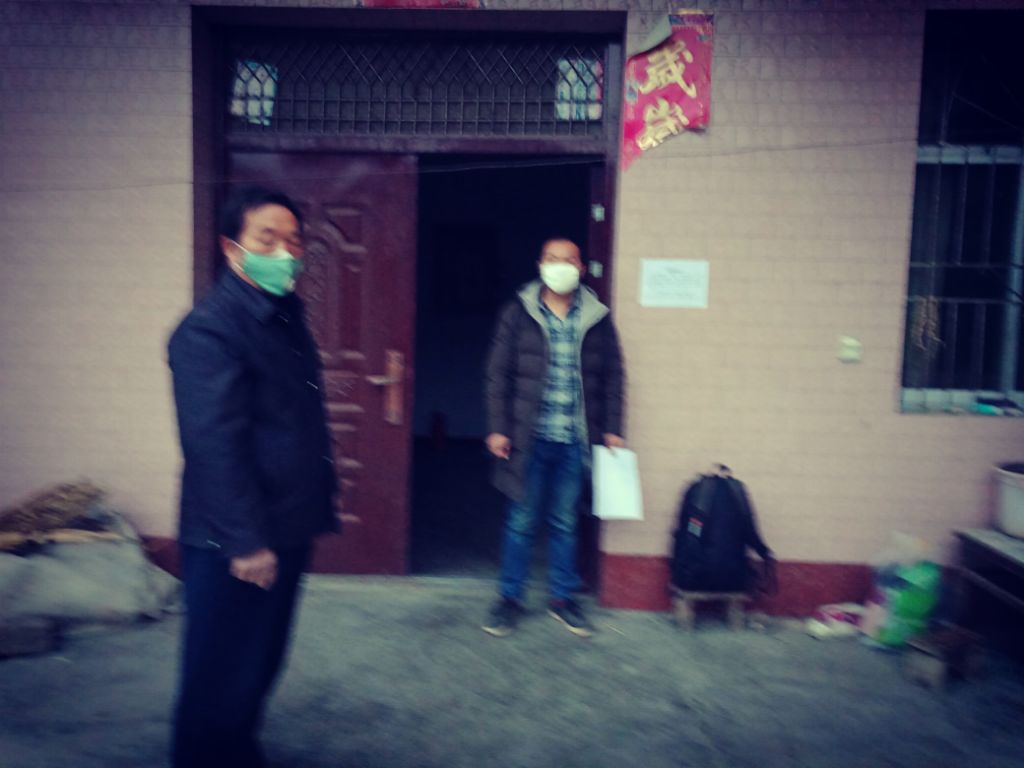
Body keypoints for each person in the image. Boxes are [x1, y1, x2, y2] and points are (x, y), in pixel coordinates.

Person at [167, 187, 338, 768]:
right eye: (267, 239)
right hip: (237, 538)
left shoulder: (281, 316)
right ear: (231, 248)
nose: (284, 252)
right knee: (219, 674)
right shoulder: (210, 331)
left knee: (256, 663)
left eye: (294, 241)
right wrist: (245, 542)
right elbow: (214, 445)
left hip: (283, 523)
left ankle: (235, 753)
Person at [482, 237, 625, 638]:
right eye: (552, 258)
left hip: (575, 440)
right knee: (522, 521)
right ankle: (509, 599)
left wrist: (613, 428)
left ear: (581, 268)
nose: (559, 265)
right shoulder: (518, 312)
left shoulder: (597, 317)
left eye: (568, 259)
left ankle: (563, 600)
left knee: (565, 523)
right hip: (528, 439)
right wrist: (497, 427)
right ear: (540, 264)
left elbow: (614, 376)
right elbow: (498, 374)